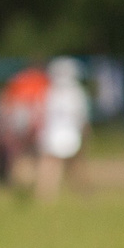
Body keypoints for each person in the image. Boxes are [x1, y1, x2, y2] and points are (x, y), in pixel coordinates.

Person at [36, 57, 92, 201]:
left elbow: (42, 115)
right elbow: (82, 118)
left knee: (51, 166)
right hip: (71, 134)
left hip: (53, 134)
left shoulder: (50, 92)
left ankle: (46, 196)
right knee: (75, 166)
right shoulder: (77, 93)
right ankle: (83, 195)